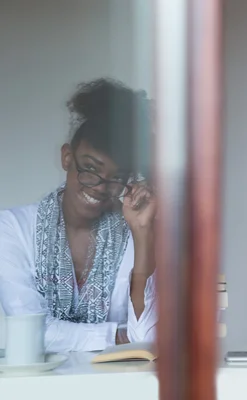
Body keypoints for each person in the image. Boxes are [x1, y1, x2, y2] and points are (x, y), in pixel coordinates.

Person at [0, 78, 157, 352]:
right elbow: (30, 332)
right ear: (67, 158)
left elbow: (147, 336)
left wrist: (143, 234)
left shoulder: (133, 232)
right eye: (90, 168)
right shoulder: (12, 229)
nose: (99, 186)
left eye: (116, 177)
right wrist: (116, 337)